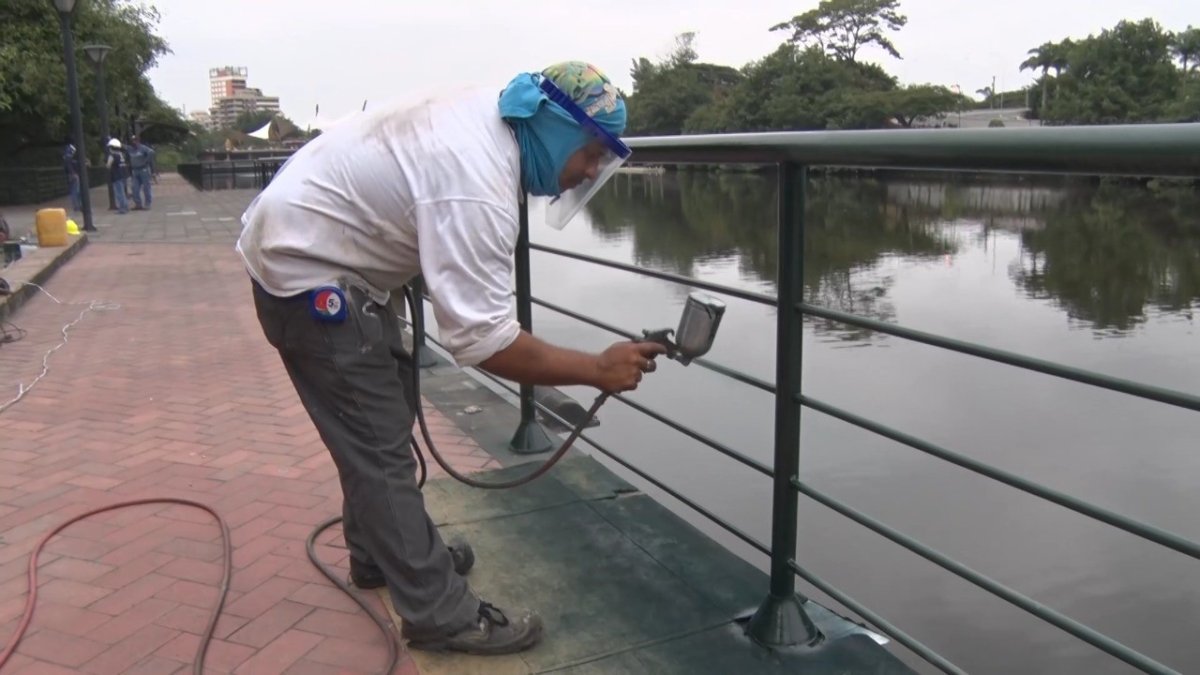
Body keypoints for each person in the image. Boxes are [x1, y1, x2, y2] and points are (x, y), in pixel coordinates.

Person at [235, 61, 665, 655]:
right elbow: (481, 340)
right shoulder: (478, 181)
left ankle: (379, 555)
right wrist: (595, 368)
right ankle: (441, 616)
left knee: (378, 430)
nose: (589, 170)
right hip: (308, 278)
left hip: (327, 259)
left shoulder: (488, 122)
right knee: (380, 451)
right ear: (557, 128)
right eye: (591, 153)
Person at [127, 135, 155, 209]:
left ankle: (147, 204)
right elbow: (123, 147)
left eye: (135, 140)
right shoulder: (130, 149)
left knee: (146, 187)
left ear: (138, 141)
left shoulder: (143, 148)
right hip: (135, 170)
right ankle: (138, 204)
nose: (134, 142)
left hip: (144, 170)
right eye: (132, 141)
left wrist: (146, 161)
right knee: (134, 188)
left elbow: (151, 152)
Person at [105, 138, 130, 214]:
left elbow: (108, 165)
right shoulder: (121, 154)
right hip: (123, 175)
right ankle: (125, 206)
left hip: (116, 176)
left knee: (119, 193)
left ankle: (122, 208)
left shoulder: (112, 155)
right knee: (123, 192)